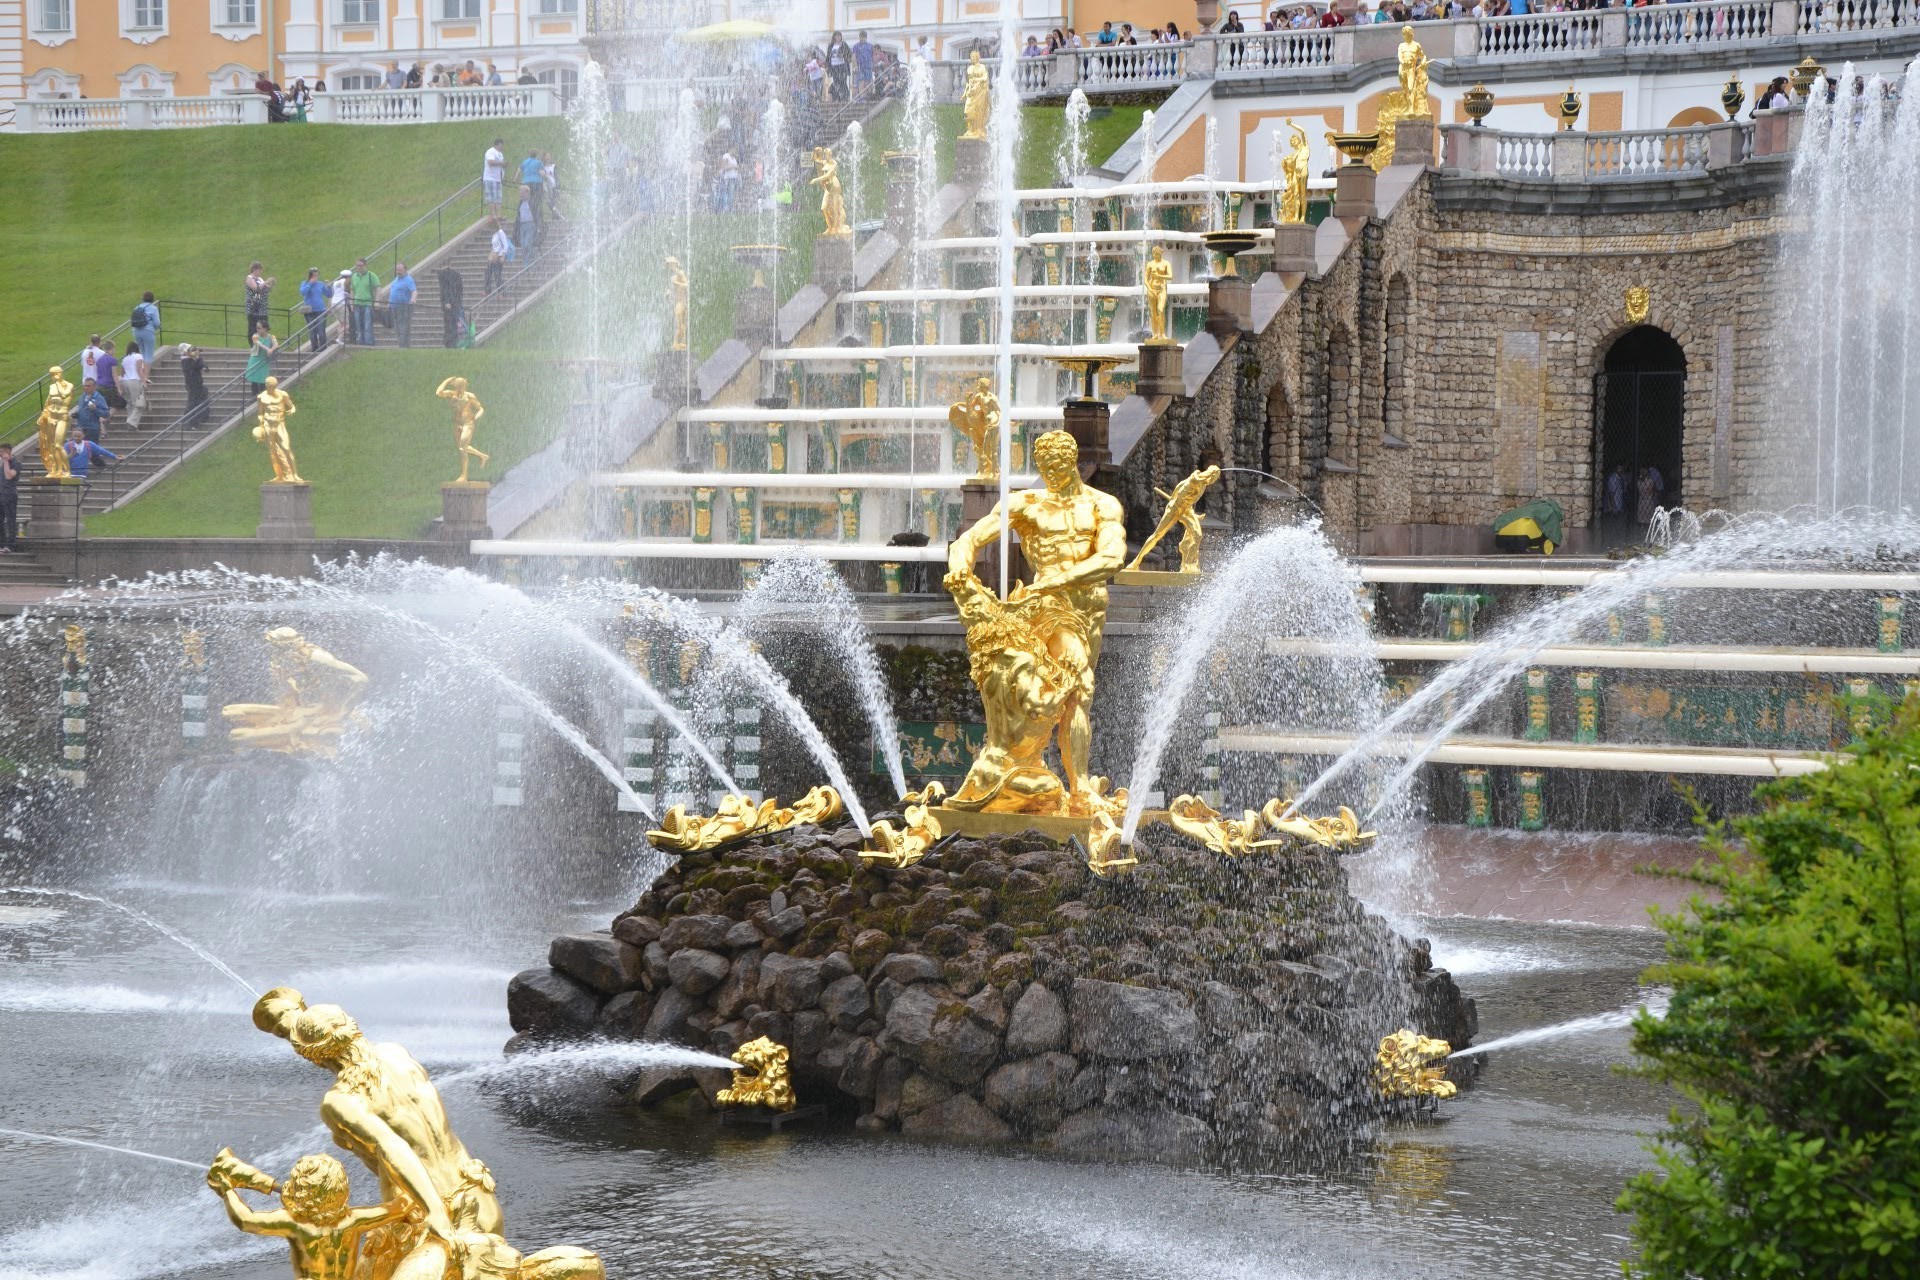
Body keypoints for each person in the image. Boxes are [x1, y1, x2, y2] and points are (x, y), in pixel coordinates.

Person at [205, 1151, 408, 1280]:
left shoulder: (295, 1224)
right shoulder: (354, 1220)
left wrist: (226, 1189)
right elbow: (398, 1207)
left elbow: (245, 1220)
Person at [348, 258, 379, 346]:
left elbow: (378, 288)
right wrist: (351, 303)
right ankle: (361, 342)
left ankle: (369, 343)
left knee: (367, 325)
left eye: (361, 265)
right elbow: (352, 290)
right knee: (358, 324)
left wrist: (376, 301)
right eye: (357, 265)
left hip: (368, 304)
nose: (359, 267)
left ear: (365, 265)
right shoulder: (354, 276)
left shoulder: (371, 275)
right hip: (357, 304)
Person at [298, 267, 329, 353]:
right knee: (312, 331)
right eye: (314, 275)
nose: (315, 277)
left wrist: (329, 287)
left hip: (321, 310)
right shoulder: (305, 283)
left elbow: (328, 294)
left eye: (316, 275)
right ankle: (314, 349)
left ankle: (323, 348)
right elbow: (303, 292)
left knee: (321, 330)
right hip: (310, 311)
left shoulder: (320, 284)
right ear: (310, 276)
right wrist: (310, 284)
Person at [179, 344, 210, 429]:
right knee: (193, 404)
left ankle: (203, 417)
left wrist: (199, 359)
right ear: (185, 352)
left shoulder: (191, 360)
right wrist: (198, 357)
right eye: (189, 350)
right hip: (193, 385)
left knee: (203, 395)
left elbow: (202, 366)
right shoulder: (186, 361)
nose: (192, 351)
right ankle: (189, 422)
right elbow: (196, 365)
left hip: (197, 384)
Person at [246, 319, 279, 398]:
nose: (257, 329)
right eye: (257, 328)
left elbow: (276, 344)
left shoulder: (271, 336)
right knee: (254, 380)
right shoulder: (255, 336)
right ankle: (255, 397)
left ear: (265, 328)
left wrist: (271, 349)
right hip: (255, 360)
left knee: (263, 380)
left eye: (259, 328)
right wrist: (268, 349)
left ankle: (263, 397)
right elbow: (259, 343)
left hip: (264, 361)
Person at [119, 342, 148, 430]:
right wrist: (144, 382)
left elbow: (122, 373)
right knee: (139, 404)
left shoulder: (125, 358)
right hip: (135, 381)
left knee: (130, 404)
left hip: (124, 382)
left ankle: (131, 424)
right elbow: (139, 370)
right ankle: (131, 421)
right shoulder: (138, 356)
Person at [72, 379, 109, 444]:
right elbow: (81, 409)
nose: (86, 388)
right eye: (85, 386)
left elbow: (106, 413)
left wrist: (95, 409)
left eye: (88, 386)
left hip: (92, 429)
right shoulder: (82, 396)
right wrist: (76, 415)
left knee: (92, 450)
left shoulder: (99, 398)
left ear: (94, 387)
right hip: (80, 428)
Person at [389, 263, 417, 348]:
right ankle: (402, 345)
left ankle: (403, 346)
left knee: (403, 328)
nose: (398, 272)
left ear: (405, 269)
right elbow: (393, 292)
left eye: (400, 270)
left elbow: (414, 291)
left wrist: (413, 299)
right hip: (394, 307)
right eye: (397, 270)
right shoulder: (396, 279)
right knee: (397, 328)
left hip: (404, 307)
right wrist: (389, 303)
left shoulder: (408, 279)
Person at [438, 262, 465, 347]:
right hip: (454, 304)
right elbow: (458, 291)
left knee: (450, 325)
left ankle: (450, 343)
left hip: (452, 305)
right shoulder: (455, 275)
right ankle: (451, 342)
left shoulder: (445, 275)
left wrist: (448, 303)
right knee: (451, 325)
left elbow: (447, 291)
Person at [246, 261, 276, 333]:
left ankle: (264, 343)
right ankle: (254, 344)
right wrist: (266, 282)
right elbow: (256, 289)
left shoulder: (259, 279)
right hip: (254, 310)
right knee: (254, 329)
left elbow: (266, 289)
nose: (260, 272)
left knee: (264, 329)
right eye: (260, 269)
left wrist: (271, 283)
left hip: (263, 309)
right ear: (255, 269)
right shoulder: (250, 278)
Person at [130, 291, 160, 362]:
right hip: (148, 331)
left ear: (143, 299)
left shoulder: (136, 307)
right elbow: (157, 323)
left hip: (136, 331)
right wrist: (154, 329)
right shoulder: (153, 308)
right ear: (152, 299)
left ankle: (142, 370)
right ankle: (146, 373)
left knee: (142, 353)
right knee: (149, 354)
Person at [96, 339, 124, 410]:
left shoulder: (99, 360)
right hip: (108, 386)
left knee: (104, 406)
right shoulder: (112, 360)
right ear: (112, 348)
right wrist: (119, 388)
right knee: (118, 404)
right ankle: (105, 419)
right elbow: (114, 374)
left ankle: (103, 419)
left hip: (99, 385)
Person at [487, 217, 512, 294]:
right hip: (494, 257)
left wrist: (503, 256)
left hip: (499, 257)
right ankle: (487, 290)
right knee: (488, 273)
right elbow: (494, 246)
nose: (490, 228)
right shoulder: (494, 234)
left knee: (497, 275)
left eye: (490, 226)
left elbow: (505, 244)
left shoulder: (500, 232)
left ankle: (502, 292)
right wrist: (490, 255)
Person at [483, 136, 506, 217]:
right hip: (490, 178)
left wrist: (504, 165)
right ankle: (493, 215)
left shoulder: (500, 154)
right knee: (491, 198)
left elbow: (500, 163)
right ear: (498, 144)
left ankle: (499, 215)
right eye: (502, 145)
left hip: (498, 179)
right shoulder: (490, 151)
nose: (503, 147)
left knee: (498, 198)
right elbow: (490, 162)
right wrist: (501, 163)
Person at [0, 444, 16, 554]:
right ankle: (1, 544)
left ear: (8, 451)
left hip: (10, 495)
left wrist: (6, 462)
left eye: (1, 451)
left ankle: (10, 545)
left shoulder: (16, 463)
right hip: (1, 493)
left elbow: (9, 476)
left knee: (10, 520)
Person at [515, 183, 538, 256]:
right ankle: (526, 264)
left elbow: (537, 214)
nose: (520, 195)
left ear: (527, 192)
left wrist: (539, 226)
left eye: (522, 193)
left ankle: (531, 259)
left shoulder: (532, 202)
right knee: (523, 245)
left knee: (527, 243)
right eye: (520, 193)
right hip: (522, 226)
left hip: (530, 225)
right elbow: (518, 216)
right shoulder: (520, 203)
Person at [853, 30, 875, 97]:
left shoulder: (870, 46)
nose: (862, 38)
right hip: (860, 66)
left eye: (863, 37)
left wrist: (873, 64)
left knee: (868, 81)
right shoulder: (856, 46)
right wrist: (855, 66)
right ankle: (862, 96)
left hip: (868, 66)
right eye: (861, 37)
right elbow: (854, 56)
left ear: (866, 37)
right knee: (861, 81)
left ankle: (868, 96)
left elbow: (872, 56)